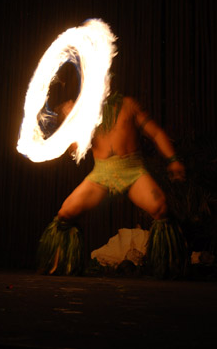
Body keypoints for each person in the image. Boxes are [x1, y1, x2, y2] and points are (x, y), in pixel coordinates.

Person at [36, 91, 187, 277]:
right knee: (65, 213)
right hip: (102, 173)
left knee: (160, 208)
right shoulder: (86, 113)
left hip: (133, 170)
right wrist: (70, 121)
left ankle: (170, 266)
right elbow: (76, 149)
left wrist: (173, 159)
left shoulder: (128, 105)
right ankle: (58, 264)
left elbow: (155, 133)